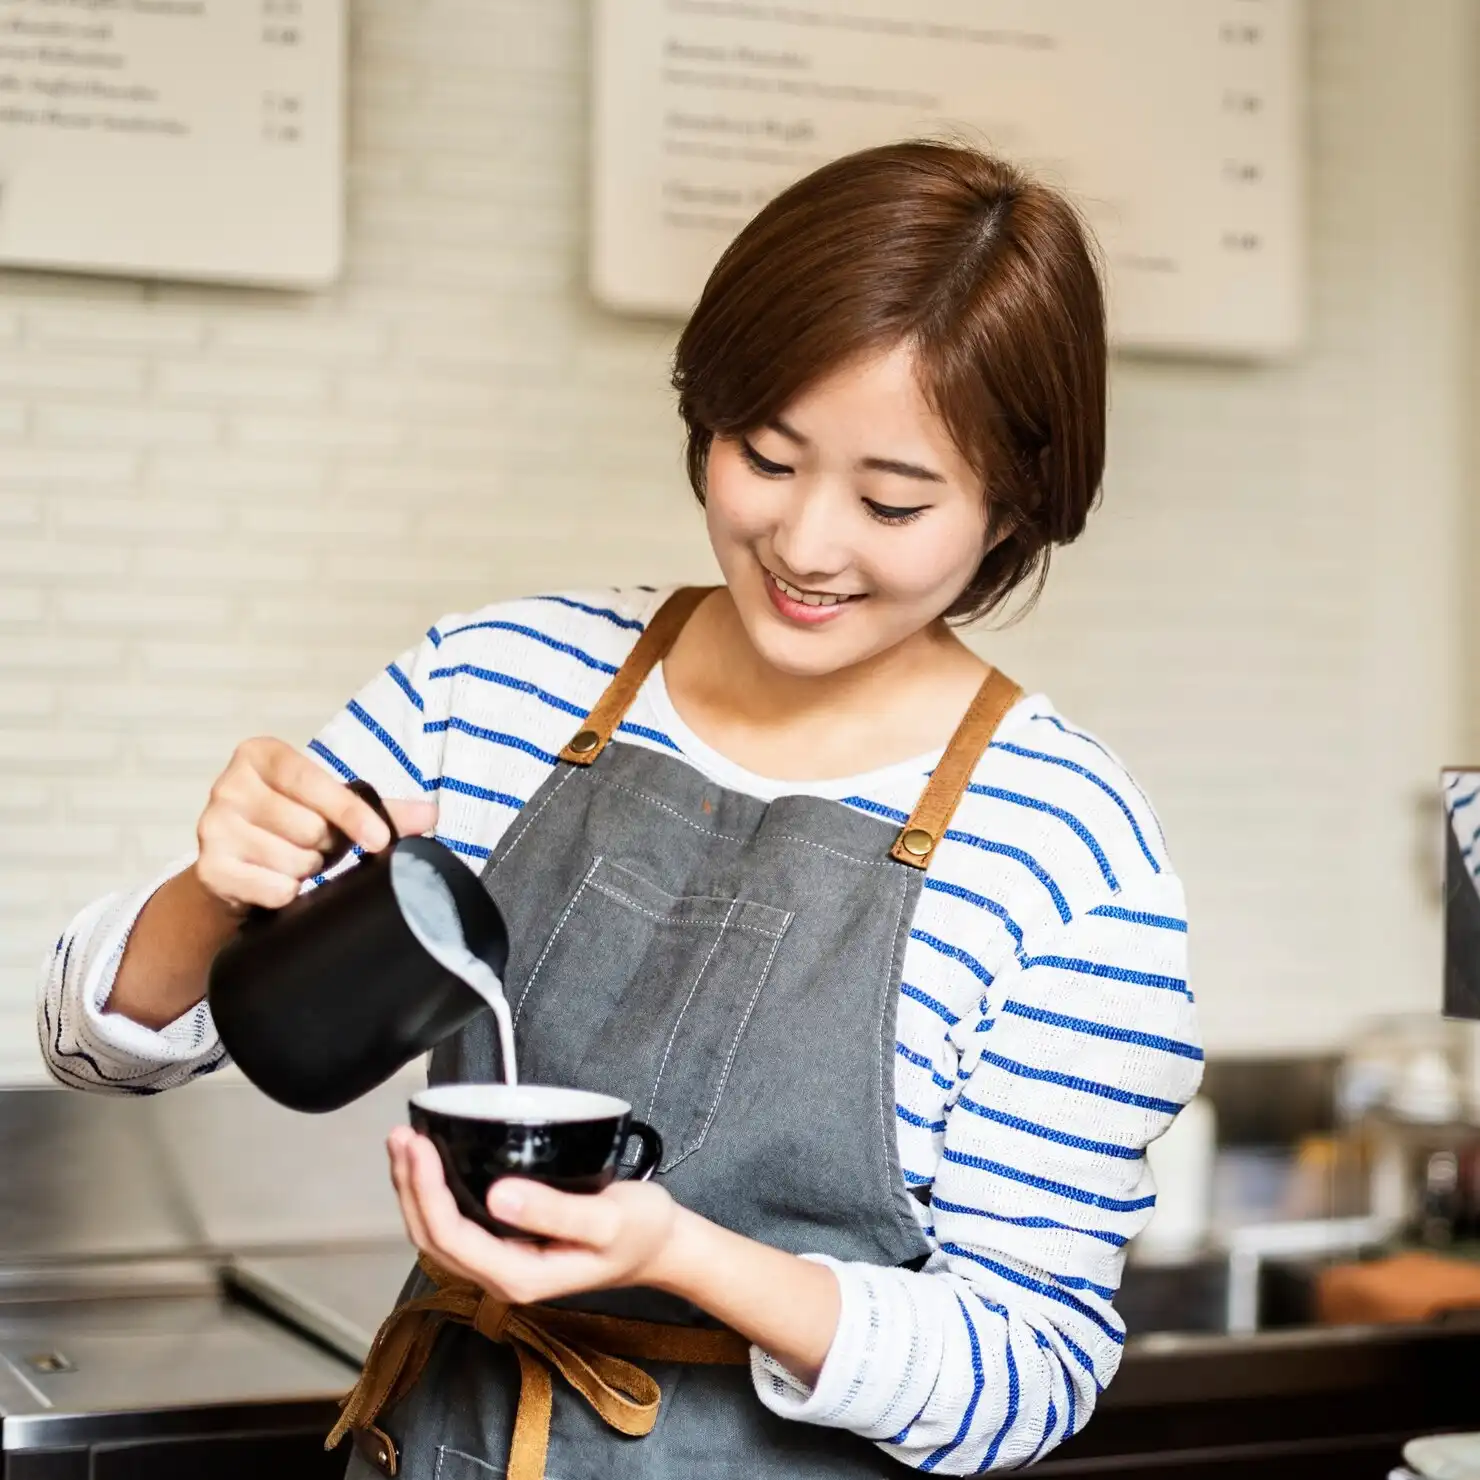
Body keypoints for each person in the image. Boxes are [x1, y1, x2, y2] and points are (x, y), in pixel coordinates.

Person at [39, 141, 1202, 1477]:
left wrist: (682, 1256)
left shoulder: (1062, 848)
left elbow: (1029, 1373)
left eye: (893, 501)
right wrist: (219, 890)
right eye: (765, 456)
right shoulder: (499, 687)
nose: (809, 544)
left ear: (1014, 507)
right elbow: (96, 1048)